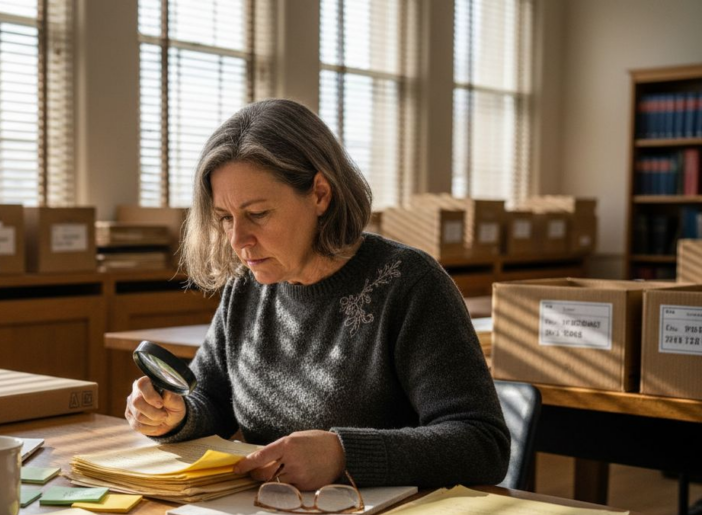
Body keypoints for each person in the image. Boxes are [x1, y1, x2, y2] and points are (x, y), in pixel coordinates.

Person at [124, 99, 509, 491]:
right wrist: (174, 415)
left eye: (257, 214)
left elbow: (483, 445)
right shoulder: (247, 286)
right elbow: (211, 400)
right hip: (273, 513)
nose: (238, 239)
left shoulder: (410, 283)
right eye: (225, 218)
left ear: (320, 194)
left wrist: (343, 454)